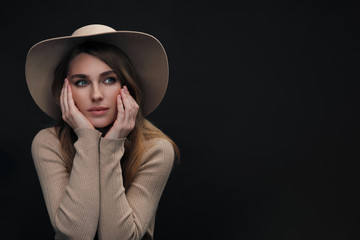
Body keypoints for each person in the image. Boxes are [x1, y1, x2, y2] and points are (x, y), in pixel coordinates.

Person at [25, 24, 179, 240]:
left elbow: (118, 237)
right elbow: (75, 234)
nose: (96, 95)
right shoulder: (49, 142)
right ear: (65, 91)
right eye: (81, 82)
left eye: (109, 79)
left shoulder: (156, 150)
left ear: (127, 86)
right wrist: (87, 138)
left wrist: (112, 144)